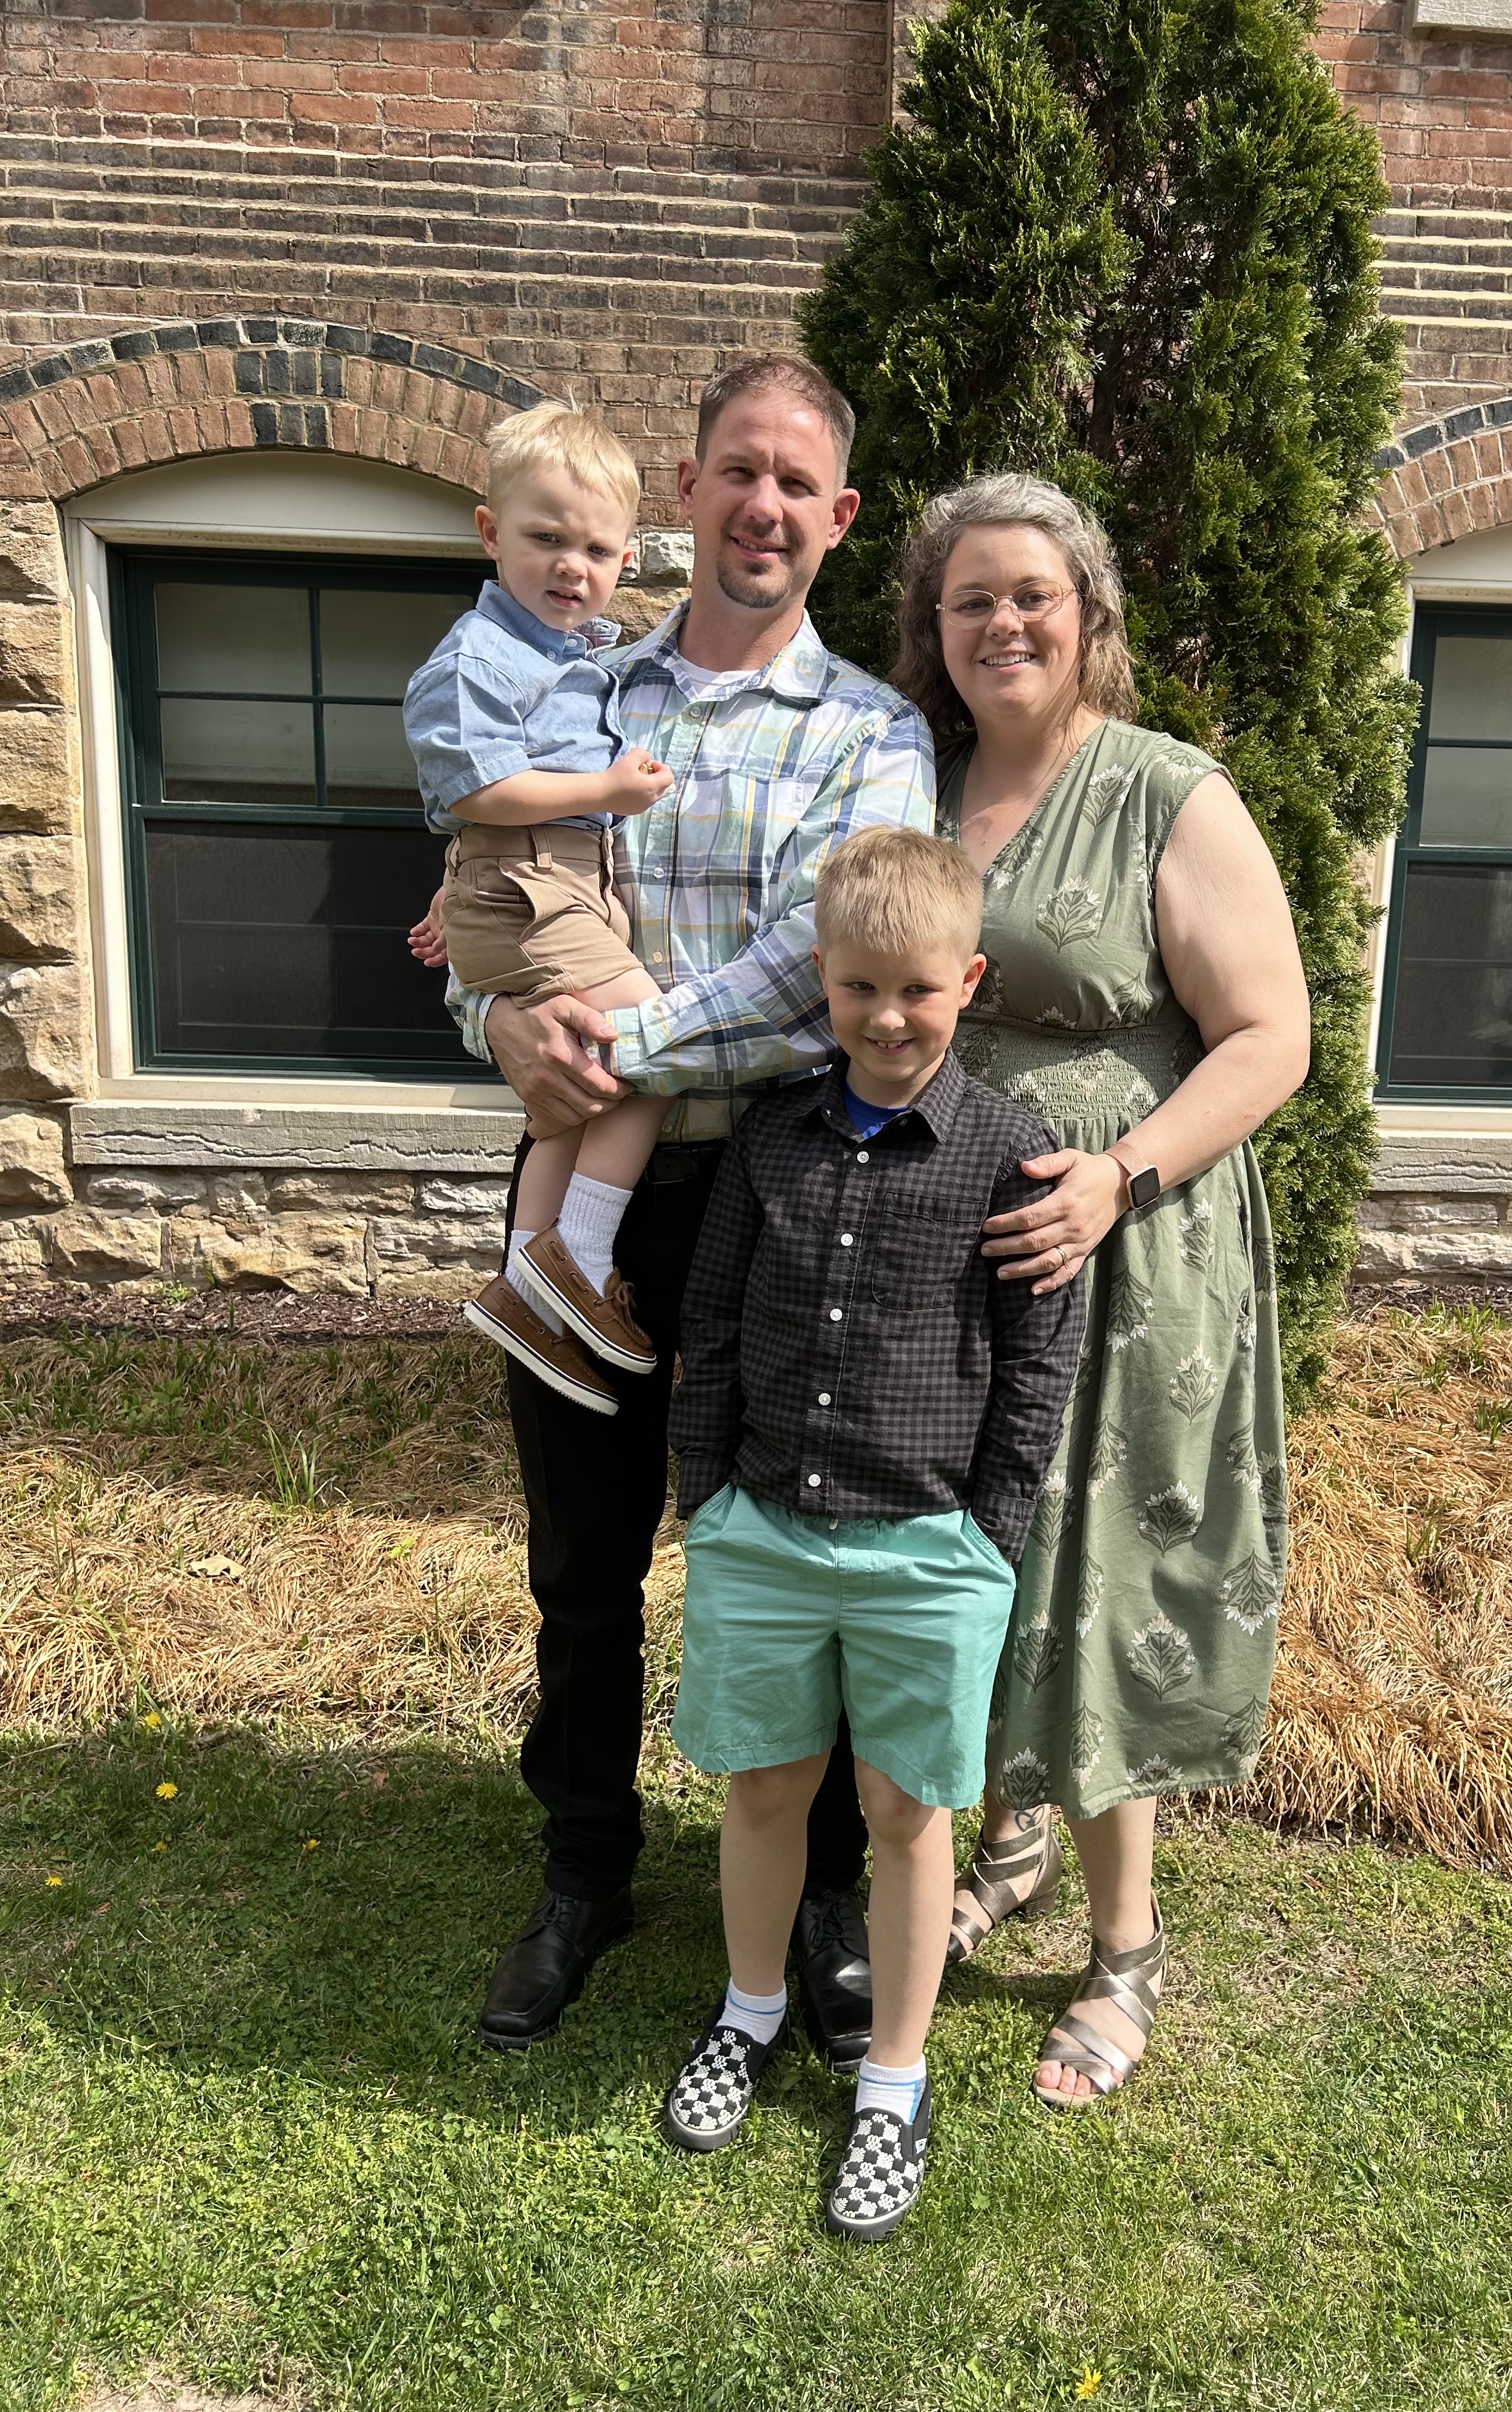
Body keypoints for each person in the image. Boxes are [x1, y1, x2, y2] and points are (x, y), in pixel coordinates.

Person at [427, 356, 936, 2061]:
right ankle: (583, 1870)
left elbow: (822, 980)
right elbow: (490, 902)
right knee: (581, 1559)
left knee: (807, 1561)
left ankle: (821, 1898)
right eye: (736, 471)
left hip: (795, 1208)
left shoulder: (876, 736)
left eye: (797, 481)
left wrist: (619, 1038)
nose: (764, 506)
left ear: (837, 516)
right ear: (689, 489)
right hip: (593, 1201)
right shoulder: (576, 699)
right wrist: (498, 1020)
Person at [894, 473, 1311, 2108]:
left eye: (1031, 595)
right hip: (949, 1235)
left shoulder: (1163, 793)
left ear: (1088, 617)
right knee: (966, 1543)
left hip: (1121, 1245)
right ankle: (1007, 1841)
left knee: (1098, 1559)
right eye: (968, 599)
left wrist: (1118, 1175)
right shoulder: (911, 781)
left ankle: (1127, 1939)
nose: (1002, 622)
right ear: (932, 631)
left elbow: (1271, 1037)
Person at [659, 829, 1081, 2239]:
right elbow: (709, 1326)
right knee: (767, 1786)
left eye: (916, 989)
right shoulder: (770, 1139)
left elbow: (1036, 1369)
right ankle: (749, 2008)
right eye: (856, 990)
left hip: (928, 1550)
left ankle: (893, 2083)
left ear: (969, 980)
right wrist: (705, 1498)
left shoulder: (1016, 1160)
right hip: (763, 1532)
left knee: (907, 1814)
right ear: (821, 988)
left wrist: (990, 1535)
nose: (887, 1019)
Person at [404, 401, 676, 1412]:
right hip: (530, 877)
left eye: (598, 549)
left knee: (563, 1091)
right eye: (546, 539)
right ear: (490, 533)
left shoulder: (579, 655)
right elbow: (473, 795)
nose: (573, 566)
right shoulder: (479, 657)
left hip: (549, 883)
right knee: (650, 1046)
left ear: (627, 557)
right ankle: (580, 1258)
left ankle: (527, 1286)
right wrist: (607, 792)